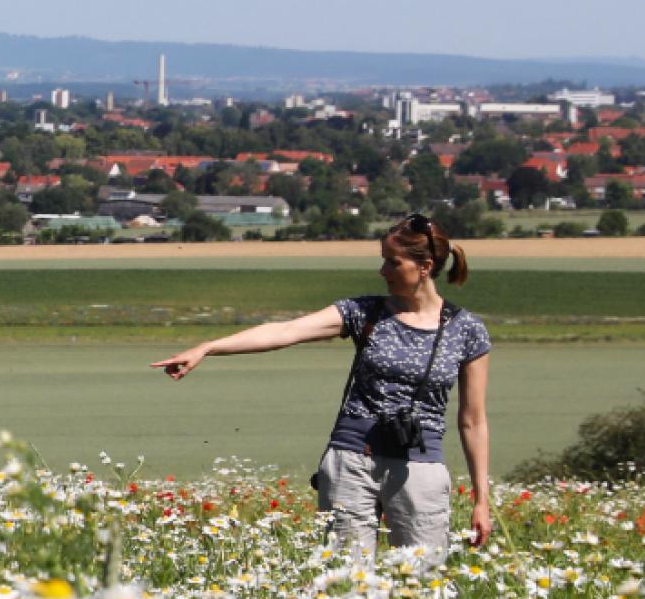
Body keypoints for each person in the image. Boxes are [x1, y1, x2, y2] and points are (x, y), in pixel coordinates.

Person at [150, 213, 493, 551]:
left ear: (426, 267)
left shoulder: (466, 330)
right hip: (351, 460)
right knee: (344, 581)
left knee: (422, 578)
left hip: (418, 466)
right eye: (383, 261)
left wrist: (482, 501)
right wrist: (209, 348)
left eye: (393, 263)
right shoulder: (364, 312)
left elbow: (473, 421)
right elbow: (286, 331)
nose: (383, 271)